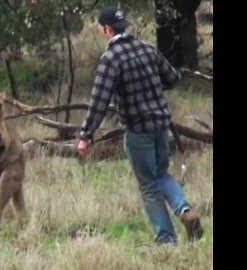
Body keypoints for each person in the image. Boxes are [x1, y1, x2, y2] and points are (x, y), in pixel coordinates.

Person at [77, 6, 203, 245]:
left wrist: (86, 135)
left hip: (138, 130)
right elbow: (172, 78)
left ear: (106, 29)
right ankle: (185, 210)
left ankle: (166, 240)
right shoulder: (147, 49)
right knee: (162, 174)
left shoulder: (110, 59)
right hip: (160, 125)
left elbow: (99, 102)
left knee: (148, 185)